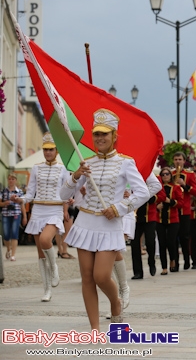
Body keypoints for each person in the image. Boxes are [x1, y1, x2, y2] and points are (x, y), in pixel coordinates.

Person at [60, 109, 149, 329]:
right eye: (96, 134)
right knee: (87, 278)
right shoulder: (86, 162)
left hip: (109, 225)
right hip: (85, 224)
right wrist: (76, 176)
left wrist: (119, 208)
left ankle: (116, 302)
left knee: (101, 276)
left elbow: (143, 192)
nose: (100, 139)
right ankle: (95, 329)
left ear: (114, 136)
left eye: (105, 134)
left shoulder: (126, 163)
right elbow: (63, 196)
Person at [12, 134, 67, 301]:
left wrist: (68, 202)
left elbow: (67, 191)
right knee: (40, 254)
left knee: (45, 240)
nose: (47, 152)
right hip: (38, 210)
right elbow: (30, 193)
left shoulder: (63, 169)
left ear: (56, 151)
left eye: (50, 149)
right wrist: (21, 199)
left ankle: (54, 266)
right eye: (45, 150)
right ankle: (47, 290)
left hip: (54, 210)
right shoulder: (36, 168)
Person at [130, 172, 164, 279]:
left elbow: (162, 194)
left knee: (150, 241)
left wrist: (150, 197)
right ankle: (138, 272)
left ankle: (151, 262)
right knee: (135, 244)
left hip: (150, 215)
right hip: (135, 216)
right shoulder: (131, 175)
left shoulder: (153, 177)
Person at [172, 152, 196, 271]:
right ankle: (175, 263)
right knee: (173, 238)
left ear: (184, 161)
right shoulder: (170, 174)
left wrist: (185, 185)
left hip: (185, 211)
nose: (178, 161)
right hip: (172, 210)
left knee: (185, 237)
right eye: (176, 159)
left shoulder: (190, 174)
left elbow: (195, 191)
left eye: (180, 159)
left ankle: (188, 261)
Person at [157, 167, 184, 275]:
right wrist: (157, 205)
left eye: (167, 174)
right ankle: (164, 267)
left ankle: (173, 259)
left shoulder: (176, 187)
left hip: (173, 219)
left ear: (170, 175)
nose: (165, 176)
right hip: (159, 219)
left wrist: (170, 201)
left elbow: (181, 203)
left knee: (171, 242)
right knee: (162, 243)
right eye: (163, 174)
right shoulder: (158, 188)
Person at [1, 173, 27, 261]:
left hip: (16, 214)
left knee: (15, 234)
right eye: (9, 179)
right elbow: (0, 203)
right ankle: (8, 249)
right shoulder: (3, 191)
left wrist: (24, 216)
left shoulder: (19, 192)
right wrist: (5, 203)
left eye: (13, 179)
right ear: (8, 180)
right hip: (6, 214)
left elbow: (22, 204)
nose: (11, 180)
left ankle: (13, 255)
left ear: (16, 180)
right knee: (6, 235)